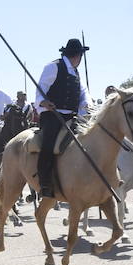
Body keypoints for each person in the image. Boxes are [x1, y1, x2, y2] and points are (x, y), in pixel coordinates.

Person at [33, 39, 89, 198]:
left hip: (72, 116)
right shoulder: (53, 67)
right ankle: (45, 183)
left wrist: (85, 104)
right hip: (53, 114)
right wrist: (43, 102)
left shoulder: (76, 72)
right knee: (49, 144)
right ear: (78, 56)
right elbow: (40, 90)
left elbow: (83, 93)